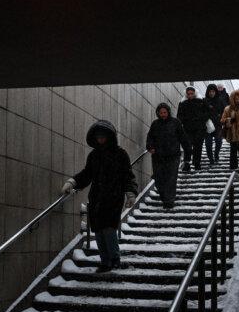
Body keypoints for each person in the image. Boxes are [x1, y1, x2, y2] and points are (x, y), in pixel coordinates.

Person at [61, 120, 137, 273]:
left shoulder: (120, 154)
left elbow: (127, 175)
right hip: (96, 198)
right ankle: (105, 261)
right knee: (99, 231)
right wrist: (73, 182)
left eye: (103, 136)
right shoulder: (94, 155)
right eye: (98, 137)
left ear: (109, 137)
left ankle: (114, 259)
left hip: (113, 197)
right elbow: (87, 174)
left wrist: (130, 193)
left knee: (108, 229)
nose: (100, 139)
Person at [145, 103, 188, 209]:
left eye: (165, 112)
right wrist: (150, 147)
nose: (163, 114)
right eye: (161, 113)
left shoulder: (175, 123)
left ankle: (169, 201)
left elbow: (182, 137)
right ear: (158, 113)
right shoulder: (155, 124)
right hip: (158, 157)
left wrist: (187, 151)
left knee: (171, 179)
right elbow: (150, 137)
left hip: (173, 156)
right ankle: (165, 197)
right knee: (159, 179)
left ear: (168, 112)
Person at [176, 86, 211, 172]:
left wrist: (201, 119)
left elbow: (208, 112)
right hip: (187, 128)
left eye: (192, 93)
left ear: (195, 93)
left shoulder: (201, 101)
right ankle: (187, 163)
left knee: (198, 147)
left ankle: (197, 163)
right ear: (186, 94)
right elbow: (179, 115)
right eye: (188, 94)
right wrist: (183, 121)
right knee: (187, 146)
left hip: (199, 128)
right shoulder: (183, 103)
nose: (190, 95)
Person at [204, 83, 229, 164]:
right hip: (208, 125)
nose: (211, 93)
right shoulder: (204, 101)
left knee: (219, 141)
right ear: (208, 92)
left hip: (218, 125)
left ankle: (216, 155)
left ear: (215, 92)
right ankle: (211, 158)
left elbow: (224, 112)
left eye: (213, 91)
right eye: (210, 91)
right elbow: (201, 112)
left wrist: (220, 117)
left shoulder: (220, 101)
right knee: (208, 143)